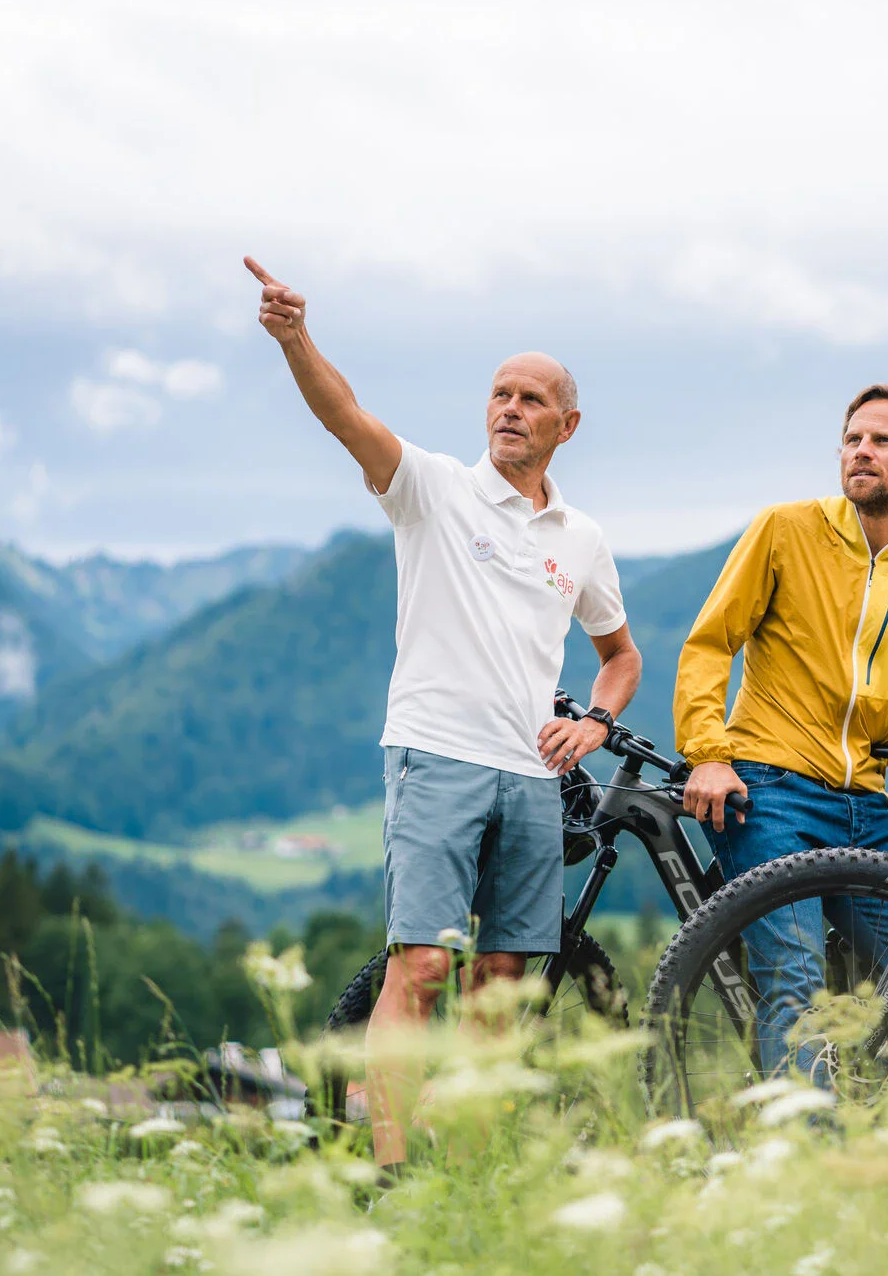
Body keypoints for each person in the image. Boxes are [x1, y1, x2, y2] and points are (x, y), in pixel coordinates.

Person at [244, 258, 642, 1175]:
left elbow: (620, 656)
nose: (510, 407)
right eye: (500, 393)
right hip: (435, 756)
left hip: (535, 776)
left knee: (505, 985)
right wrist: (296, 337)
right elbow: (345, 416)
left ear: (566, 425)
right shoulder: (431, 487)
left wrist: (592, 723)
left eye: (532, 398)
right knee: (419, 966)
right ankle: (389, 1173)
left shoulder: (580, 539)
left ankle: (458, 1164)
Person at [674, 383, 888, 1077]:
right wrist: (708, 752)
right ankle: (800, 1169)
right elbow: (709, 644)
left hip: (867, 807)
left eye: (882, 440)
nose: (861, 451)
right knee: (799, 987)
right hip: (766, 788)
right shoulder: (785, 529)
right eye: (852, 438)